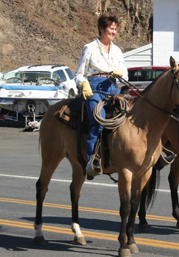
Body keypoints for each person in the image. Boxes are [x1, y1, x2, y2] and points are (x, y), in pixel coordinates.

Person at [74, 14, 128, 176]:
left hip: (113, 87)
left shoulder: (117, 51)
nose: (113, 32)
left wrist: (120, 74)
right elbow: (79, 74)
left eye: (115, 29)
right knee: (98, 120)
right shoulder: (89, 48)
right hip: (94, 88)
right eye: (111, 29)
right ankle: (92, 160)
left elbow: (125, 74)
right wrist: (83, 83)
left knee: (131, 116)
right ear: (101, 29)